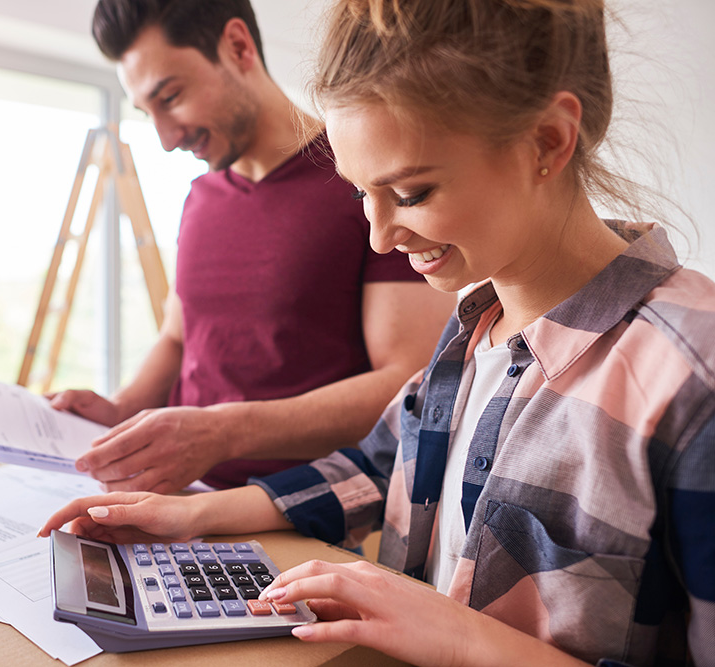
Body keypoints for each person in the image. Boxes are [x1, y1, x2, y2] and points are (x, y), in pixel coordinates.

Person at [40, 0, 715, 664]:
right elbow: (377, 466)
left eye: (412, 193)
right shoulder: (473, 331)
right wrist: (193, 517)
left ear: (547, 141)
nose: (381, 235)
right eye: (362, 192)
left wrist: (453, 635)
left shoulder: (692, 378)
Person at [49, 0, 455, 493]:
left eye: (171, 97)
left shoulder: (364, 181)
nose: (165, 138)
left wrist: (223, 433)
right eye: (148, 112)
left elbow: (408, 383)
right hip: (177, 496)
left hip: (301, 510)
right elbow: (179, 339)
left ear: (238, 46)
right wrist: (119, 408)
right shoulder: (200, 197)